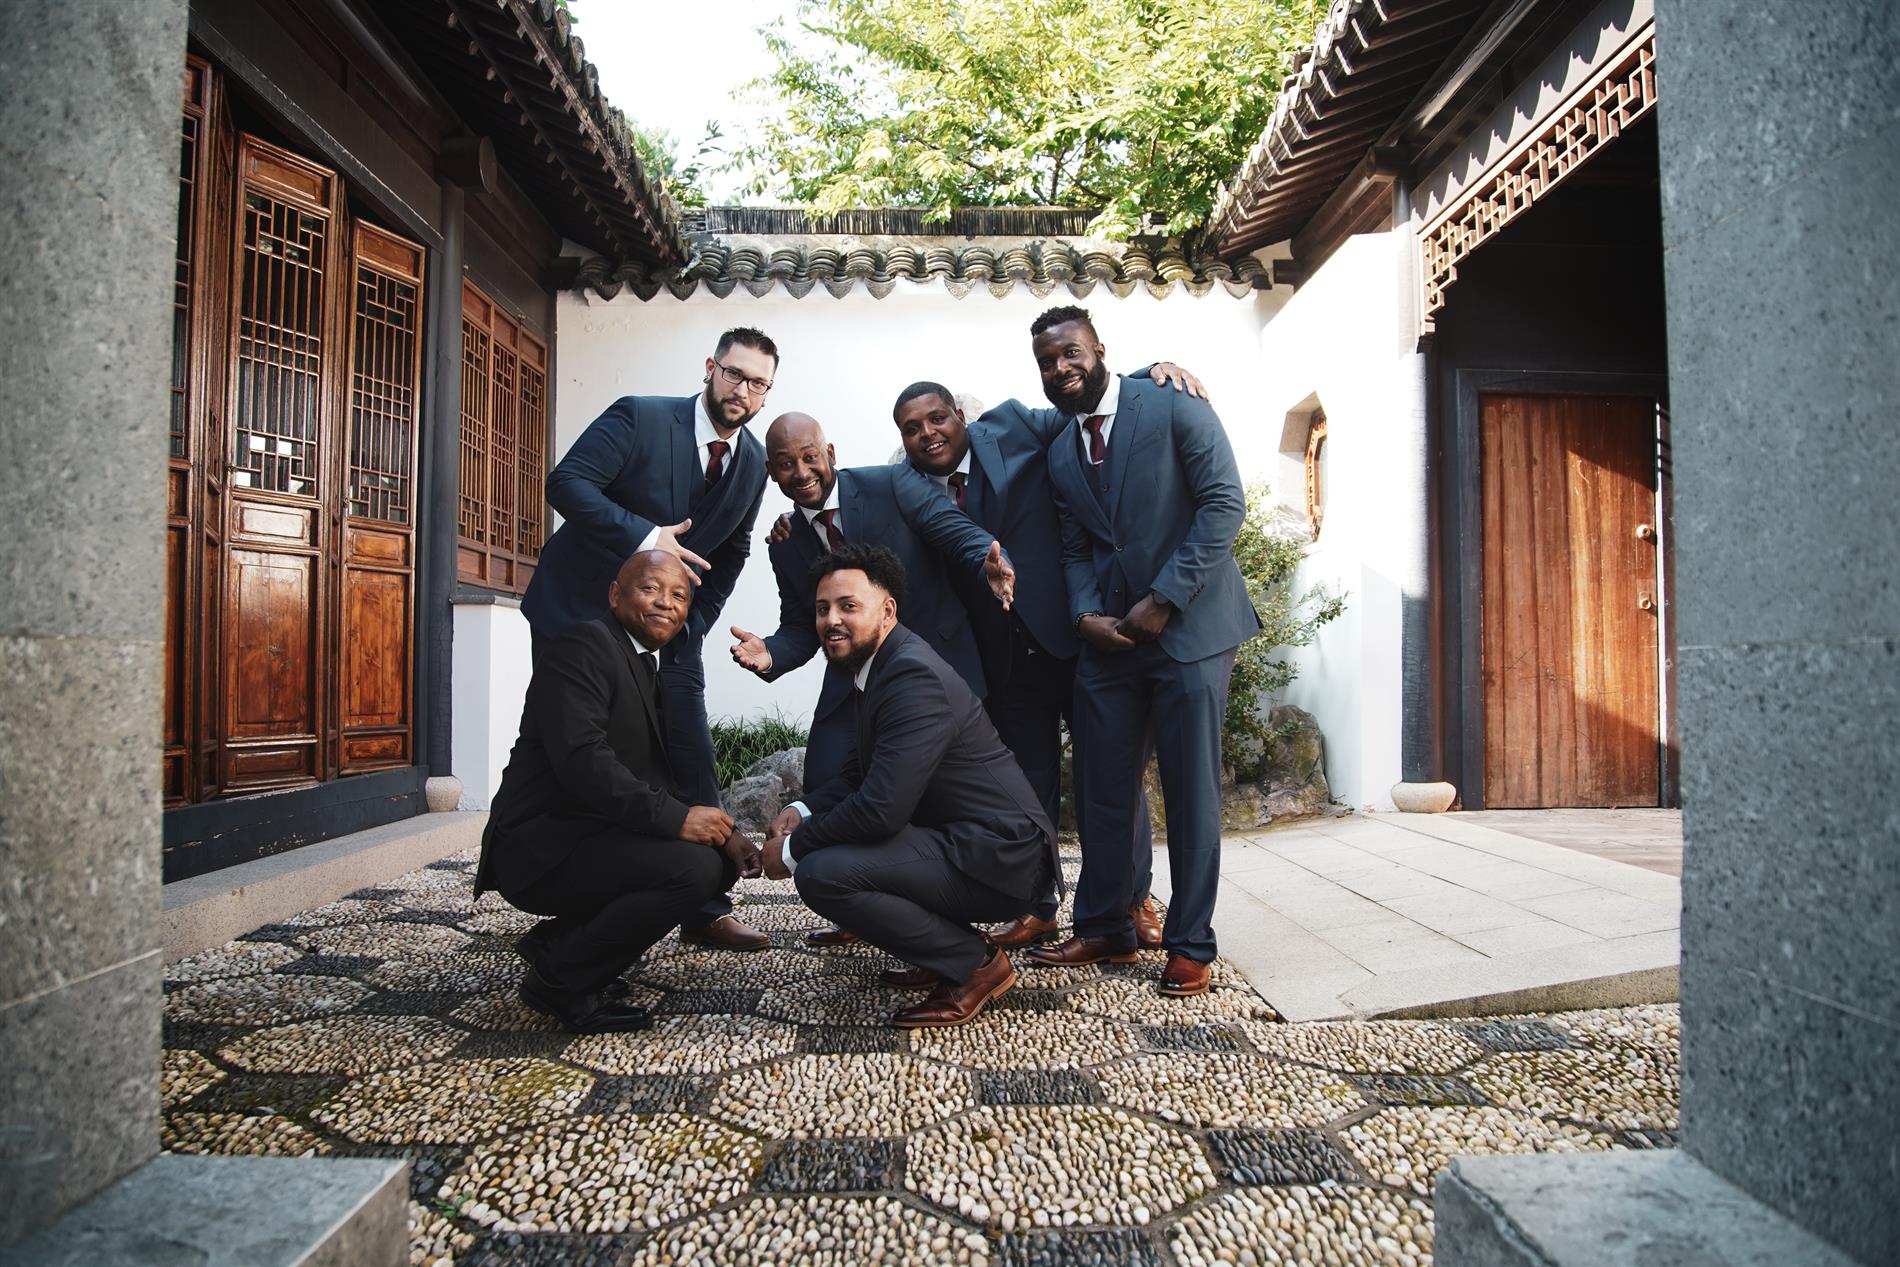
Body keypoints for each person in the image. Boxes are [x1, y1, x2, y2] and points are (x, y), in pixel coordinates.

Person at [1021, 306, 1260, 998]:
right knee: (1101, 785)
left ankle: (1190, 943)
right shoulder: (1061, 448)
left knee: (1190, 792)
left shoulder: (1174, 401)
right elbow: (1075, 548)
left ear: (1099, 349)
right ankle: (1105, 926)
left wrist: (1165, 597)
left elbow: (1224, 505)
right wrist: (1083, 615)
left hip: (1191, 632)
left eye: (1071, 352)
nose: (1061, 368)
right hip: (1111, 640)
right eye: (1047, 361)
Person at [892, 379, 1175, 950]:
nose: (928, 434)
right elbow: (846, 497)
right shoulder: (906, 485)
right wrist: (793, 523)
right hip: (1002, 661)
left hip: (1075, 637)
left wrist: (1150, 373)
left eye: (937, 418)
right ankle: (1038, 906)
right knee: (1026, 790)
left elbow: (1092, 407)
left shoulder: (1015, 424)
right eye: (912, 429)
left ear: (960, 414)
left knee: (1109, 776)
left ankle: (1133, 897)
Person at [520, 328, 776, 951]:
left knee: (690, 752)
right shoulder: (640, 416)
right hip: (579, 616)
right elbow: (567, 483)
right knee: (581, 755)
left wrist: (695, 622)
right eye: (734, 374)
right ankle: (570, 903)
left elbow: (735, 549)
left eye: (758, 383)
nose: (742, 391)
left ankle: (706, 905)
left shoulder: (754, 463)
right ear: (710, 367)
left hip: (672, 631)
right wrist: (645, 536)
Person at [730, 412, 1013, 946]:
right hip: (854, 680)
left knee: (919, 793)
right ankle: (860, 902)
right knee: (825, 777)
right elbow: (801, 625)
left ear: (830, 453)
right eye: (786, 464)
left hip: (935, 666)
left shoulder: (890, 484)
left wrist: (987, 560)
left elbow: (950, 528)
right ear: (772, 472)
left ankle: (941, 911)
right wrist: (771, 654)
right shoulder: (786, 541)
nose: (801, 472)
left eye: (809, 457)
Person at [761, 544, 1058, 1029]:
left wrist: (792, 849)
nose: (831, 620)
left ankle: (975, 965)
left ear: (887, 610)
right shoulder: (879, 665)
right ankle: (940, 952)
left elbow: (881, 809)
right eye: (822, 609)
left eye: (848, 606)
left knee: (820, 872)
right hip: (960, 839)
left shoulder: (910, 674)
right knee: (833, 852)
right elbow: (857, 774)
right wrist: (803, 809)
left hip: (1003, 856)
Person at [475, 550, 762, 1033]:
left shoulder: (642, 660)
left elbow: (650, 774)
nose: (666, 603)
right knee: (691, 870)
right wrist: (678, 820)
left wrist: (723, 830)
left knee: (716, 859)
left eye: (679, 596)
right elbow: (583, 761)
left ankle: (559, 943)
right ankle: (561, 980)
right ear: (615, 594)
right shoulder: (583, 646)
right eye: (650, 588)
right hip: (542, 846)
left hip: (591, 832)